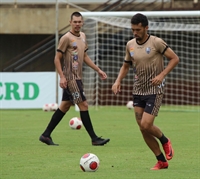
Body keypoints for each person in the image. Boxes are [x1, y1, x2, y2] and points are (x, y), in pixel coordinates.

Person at [112, 13, 179, 170]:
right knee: (142, 128)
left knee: (147, 124)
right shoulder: (130, 45)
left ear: (146, 28)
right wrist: (118, 80)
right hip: (138, 90)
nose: (135, 33)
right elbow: (126, 65)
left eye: (138, 29)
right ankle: (161, 160)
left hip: (154, 90)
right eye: (133, 29)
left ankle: (165, 140)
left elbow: (174, 58)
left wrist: (162, 75)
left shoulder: (157, 42)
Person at [39, 11, 110, 146]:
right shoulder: (66, 38)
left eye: (79, 22)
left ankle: (45, 135)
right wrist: (62, 76)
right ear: (70, 22)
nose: (77, 24)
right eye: (75, 22)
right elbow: (57, 58)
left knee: (65, 106)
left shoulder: (83, 36)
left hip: (78, 77)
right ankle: (94, 138)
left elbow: (85, 56)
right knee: (83, 104)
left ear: (82, 22)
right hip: (71, 78)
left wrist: (98, 70)